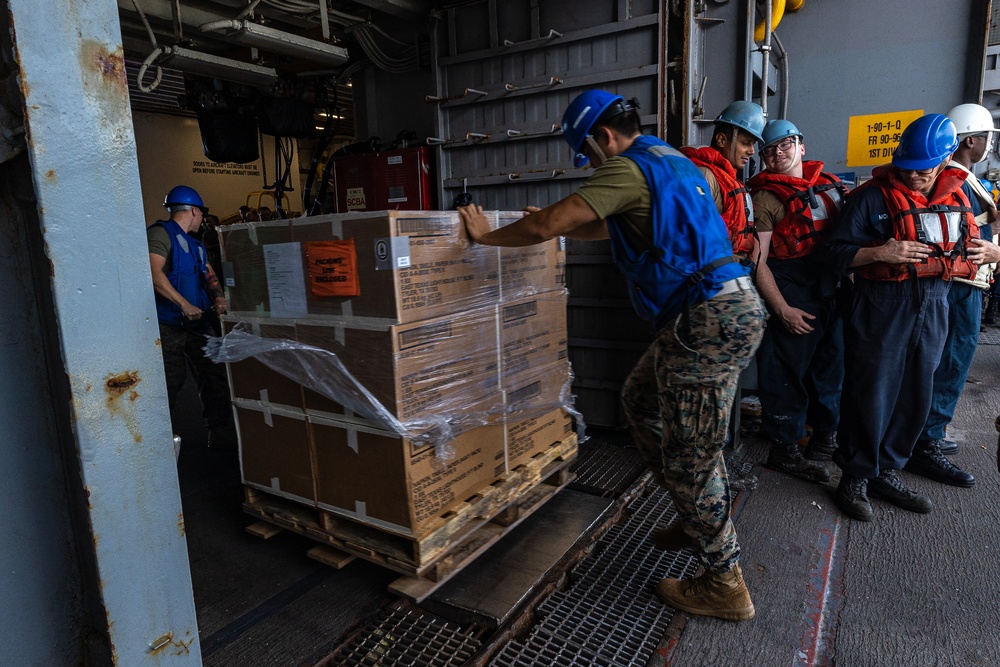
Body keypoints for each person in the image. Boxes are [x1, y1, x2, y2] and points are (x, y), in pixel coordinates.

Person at [458, 90, 766, 621]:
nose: (594, 166)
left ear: (603, 138)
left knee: (694, 457)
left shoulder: (624, 167)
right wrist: (562, 219)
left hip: (706, 319)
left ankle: (724, 581)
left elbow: (541, 227)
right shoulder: (669, 160)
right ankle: (694, 517)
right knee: (640, 399)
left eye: (590, 156)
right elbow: (604, 223)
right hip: (720, 311)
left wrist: (486, 237)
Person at [824, 114, 992, 521]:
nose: (916, 176)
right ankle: (856, 476)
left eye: (926, 168)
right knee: (870, 391)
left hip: (936, 302)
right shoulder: (869, 199)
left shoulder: (959, 197)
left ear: (947, 159)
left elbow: (976, 244)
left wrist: (993, 253)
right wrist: (881, 253)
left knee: (915, 392)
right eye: (909, 167)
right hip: (882, 303)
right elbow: (831, 255)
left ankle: (886, 470)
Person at [746, 120, 848, 483]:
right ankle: (784, 450)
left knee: (830, 370)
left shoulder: (831, 187)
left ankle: (823, 440)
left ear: (801, 146)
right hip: (790, 290)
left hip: (830, 291)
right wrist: (782, 310)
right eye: (768, 150)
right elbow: (757, 261)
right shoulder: (765, 198)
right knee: (784, 375)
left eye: (784, 145)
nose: (777, 153)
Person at [911, 103, 1000, 467]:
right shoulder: (956, 180)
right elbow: (968, 241)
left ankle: (926, 432)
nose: (989, 145)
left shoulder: (962, 178)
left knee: (945, 359)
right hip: (962, 284)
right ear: (969, 140)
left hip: (963, 283)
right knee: (951, 360)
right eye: (986, 138)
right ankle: (928, 437)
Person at [147, 185, 236, 450]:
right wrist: (183, 303)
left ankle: (218, 432)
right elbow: (152, 273)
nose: (203, 220)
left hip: (197, 324)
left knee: (215, 376)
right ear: (194, 211)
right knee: (170, 384)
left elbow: (208, 273)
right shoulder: (160, 235)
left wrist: (218, 297)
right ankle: (157, 444)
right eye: (202, 215)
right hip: (169, 325)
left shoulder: (196, 245)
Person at [679, 101, 765, 259]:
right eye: (746, 143)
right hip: (715, 275)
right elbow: (688, 241)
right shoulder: (704, 176)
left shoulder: (731, 180)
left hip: (736, 271)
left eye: (753, 144)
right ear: (721, 140)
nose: (752, 151)